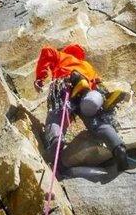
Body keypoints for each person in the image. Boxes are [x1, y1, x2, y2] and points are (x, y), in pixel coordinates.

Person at [34, 44, 128, 178]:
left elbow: (46, 51)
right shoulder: (87, 65)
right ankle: (118, 147)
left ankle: (56, 140)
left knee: (57, 118)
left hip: (65, 87)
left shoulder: (62, 56)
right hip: (89, 95)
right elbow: (97, 82)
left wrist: (40, 77)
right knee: (97, 123)